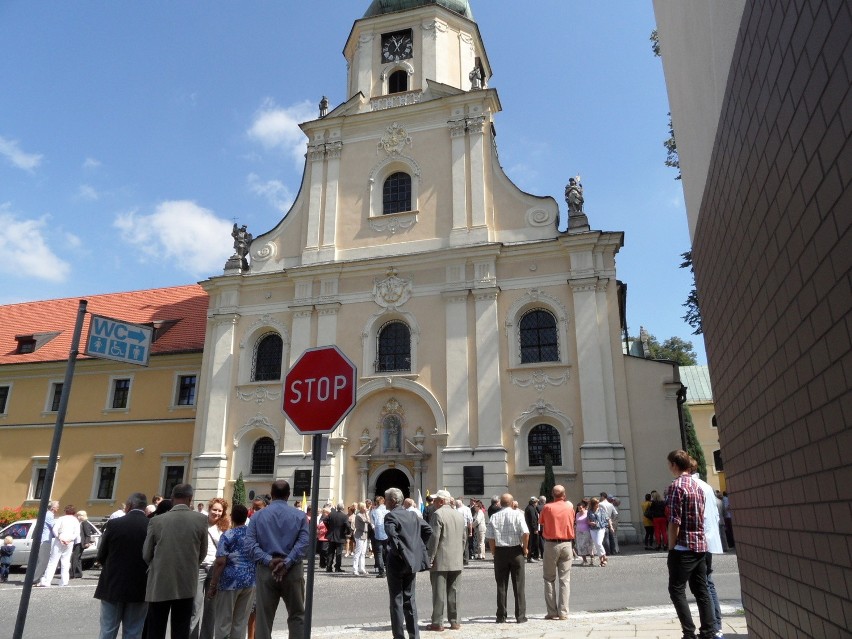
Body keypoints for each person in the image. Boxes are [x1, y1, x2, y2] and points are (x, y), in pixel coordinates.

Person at [245, 479, 309, 639]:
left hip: (267, 571)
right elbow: (303, 543)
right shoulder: (300, 516)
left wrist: (268, 560)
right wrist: (287, 563)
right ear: (288, 495)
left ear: (271, 495)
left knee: (263, 619)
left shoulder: (257, 517)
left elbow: (250, 546)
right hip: (292, 570)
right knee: (297, 615)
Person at [143, 483, 209, 639]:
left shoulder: (157, 521)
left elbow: (146, 554)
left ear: (172, 498)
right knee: (181, 629)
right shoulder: (200, 520)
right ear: (190, 498)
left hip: (160, 580)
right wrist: (190, 564)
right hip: (186, 581)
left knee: (156, 628)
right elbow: (203, 552)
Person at [665, 450, 715, 639]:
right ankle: (708, 631)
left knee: (676, 590)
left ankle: (689, 633)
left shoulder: (676, 486)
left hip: (683, 547)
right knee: (701, 589)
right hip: (700, 545)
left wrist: (671, 547)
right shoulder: (698, 486)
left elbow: (674, 521)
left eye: (669, 464)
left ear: (675, 465)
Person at [94, 492, 150, 639]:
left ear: (129, 505)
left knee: (108, 630)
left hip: (113, 583)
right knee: (133, 631)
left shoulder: (114, 524)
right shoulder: (151, 525)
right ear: (145, 508)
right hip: (140, 585)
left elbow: (101, 555)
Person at [384, 486, 432, 639]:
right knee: (410, 599)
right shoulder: (412, 515)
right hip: (411, 561)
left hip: (397, 562)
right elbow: (428, 530)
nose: (385, 502)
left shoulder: (391, 516)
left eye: (386, 499)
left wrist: (400, 552)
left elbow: (392, 536)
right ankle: (414, 635)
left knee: (396, 600)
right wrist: (415, 548)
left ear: (392, 501)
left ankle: (398, 636)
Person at [207, 504, 255, 639]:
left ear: (232, 517)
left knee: (224, 621)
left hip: (230, 581)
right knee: (241, 621)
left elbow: (221, 561)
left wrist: (213, 584)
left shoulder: (228, 535)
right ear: (246, 517)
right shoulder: (253, 535)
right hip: (250, 580)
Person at [691, 461, 726, 638]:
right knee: (708, 583)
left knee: (703, 585)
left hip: (700, 541)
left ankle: (712, 627)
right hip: (709, 540)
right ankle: (716, 625)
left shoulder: (693, 486)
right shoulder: (706, 485)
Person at [485, 493, 529, 624]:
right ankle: (520, 616)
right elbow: (526, 532)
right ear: (511, 503)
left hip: (500, 551)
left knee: (501, 585)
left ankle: (501, 616)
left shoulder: (494, 516)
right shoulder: (518, 514)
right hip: (516, 550)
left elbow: (490, 538)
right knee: (519, 585)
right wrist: (525, 548)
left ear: (500, 503)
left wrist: (494, 551)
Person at [425, 490, 465, 631]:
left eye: (435, 500)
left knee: (439, 593)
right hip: (456, 559)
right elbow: (464, 538)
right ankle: (455, 621)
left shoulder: (438, 514)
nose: (433, 503)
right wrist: (460, 554)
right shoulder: (459, 515)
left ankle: (437, 622)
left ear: (441, 501)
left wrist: (430, 558)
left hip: (441, 559)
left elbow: (434, 538)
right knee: (454, 592)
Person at [539, 485, 575, 621]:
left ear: (552, 495)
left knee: (549, 578)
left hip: (551, 544)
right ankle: (564, 612)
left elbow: (541, 522)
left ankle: (552, 611)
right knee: (565, 580)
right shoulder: (569, 507)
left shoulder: (547, 507)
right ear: (564, 495)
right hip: (567, 543)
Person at [196, 498, 231, 639]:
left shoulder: (225, 527)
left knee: (211, 609)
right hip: (199, 568)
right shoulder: (200, 524)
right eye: (214, 509)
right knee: (195, 607)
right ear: (209, 509)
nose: (216, 513)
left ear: (223, 513)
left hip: (215, 570)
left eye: (219, 511)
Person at [37, 504, 81, 587]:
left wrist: (59, 537)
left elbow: (55, 529)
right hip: (69, 542)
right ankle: (64, 581)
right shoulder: (75, 520)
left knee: (53, 561)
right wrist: (70, 539)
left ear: (65, 511)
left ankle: (47, 581)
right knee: (65, 562)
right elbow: (77, 533)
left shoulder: (61, 519)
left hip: (59, 540)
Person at [32, 500, 58, 583]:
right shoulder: (49, 515)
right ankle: (35, 579)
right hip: (45, 540)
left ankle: (34, 578)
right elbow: (54, 527)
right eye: (57, 505)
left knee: (40, 561)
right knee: (43, 561)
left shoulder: (47, 514)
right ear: (53, 507)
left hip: (43, 539)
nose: (58, 507)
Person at [71, 509, 99, 578]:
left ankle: (73, 573)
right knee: (78, 558)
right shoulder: (81, 522)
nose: (77, 517)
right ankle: (78, 573)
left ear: (82, 516)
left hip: (81, 543)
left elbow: (87, 534)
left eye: (78, 515)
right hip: (79, 542)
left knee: (74, 558)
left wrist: (86, 542)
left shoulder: (85, 523)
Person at [325, 502, 350, 573]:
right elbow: (347, 525)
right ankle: (337, 567)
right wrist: (348, 532)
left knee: (330, 552)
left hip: (331, 535)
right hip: (340, 536)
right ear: (343, 508)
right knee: (339, 553)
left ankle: (329, 567)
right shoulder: (344, 516)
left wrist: (329, 528)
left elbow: (325, 521)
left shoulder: (331, 514)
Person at [586, 498, 608, 567]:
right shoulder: (589, 511)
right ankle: (601, 560)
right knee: (596, 544)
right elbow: (588, 520)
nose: (597, 505)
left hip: (600, 528)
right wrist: (590, 523)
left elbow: (605, 519)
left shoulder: (601, 510)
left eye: (598, 503)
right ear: (593, 504)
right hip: (592, 529)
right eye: (596, 503)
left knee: (599, 543)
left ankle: (604, 556)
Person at [371, 496, 389, 577]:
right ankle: (389, 569)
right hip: (387, 533)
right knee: (388, 552)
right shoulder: (387, 510)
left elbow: (373, 524)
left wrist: (375, 530)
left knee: (379, 553)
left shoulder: (374, 511)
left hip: (378, 534)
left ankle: (381, 571)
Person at [352, 502, 370, 575]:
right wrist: (366, 513)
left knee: (363, 553)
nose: (366, 508)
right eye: (365, 507)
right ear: (362, 508)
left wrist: (366, 514)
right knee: (358, 553)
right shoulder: (359, 515)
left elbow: (368, 520)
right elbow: (367, 521)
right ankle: (355, 569)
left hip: (364, 534)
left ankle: (362, 568)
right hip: (359, 535)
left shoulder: (363, 514)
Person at [574, 500, 593, 565]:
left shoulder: (587, 513)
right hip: (579, 531)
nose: (580, 509)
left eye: (581, 508)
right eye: (578, 508)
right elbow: (576, 522)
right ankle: (584, 560)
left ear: (584, 507)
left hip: (586, 531)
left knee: (588, 545)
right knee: (580, 546)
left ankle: (592, 559)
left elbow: (590, 521)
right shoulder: (577, 514)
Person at [523, 497, 540, 562]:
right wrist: (535, 528)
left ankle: (531, 556)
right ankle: (530, 557)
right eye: (536, 502)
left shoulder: (530, 508)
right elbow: (533, 519)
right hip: (531, 529)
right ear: (534, 502)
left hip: (530, 528)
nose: (537, 504)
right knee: (532, 543)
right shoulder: (531, 508)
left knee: (532, 542)